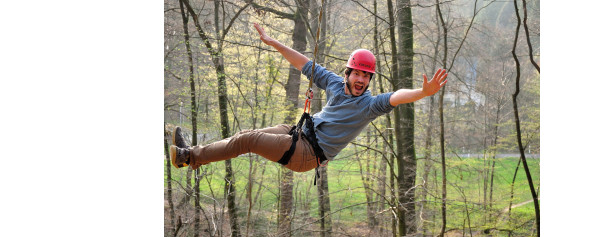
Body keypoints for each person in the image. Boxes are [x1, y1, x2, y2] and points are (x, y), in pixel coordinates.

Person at [169, 23, 448, 172]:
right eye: (357, 75)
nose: (361, 80)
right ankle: (192, 155)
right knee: (246, 134)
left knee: (248, 140)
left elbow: (396, 97)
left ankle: (187, 157)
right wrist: (273, 42)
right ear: (348, 73)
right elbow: (303, 63)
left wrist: (422, 92)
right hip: (298, 134)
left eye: (366, 77)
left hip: (307, 154)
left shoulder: (368, 106)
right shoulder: (336, 85)